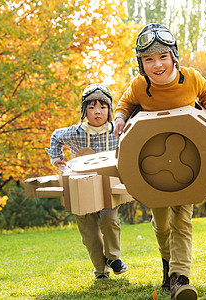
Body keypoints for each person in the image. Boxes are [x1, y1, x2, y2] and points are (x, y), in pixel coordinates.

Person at [114, 23, 206, 300]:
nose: (157, 64)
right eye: (148, 59)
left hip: (189, 164)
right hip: (152, 169)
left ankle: (180, 278)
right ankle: (168, 265)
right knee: (161, 224)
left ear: (173, 56)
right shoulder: (140, 86)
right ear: (141, 63)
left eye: (162, 57)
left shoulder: (191, 78)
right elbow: (124, 104)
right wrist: (119, 119)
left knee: (182, 221)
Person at [46, 83, 129, 280]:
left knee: (110, 220)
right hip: (80, 187)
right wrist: (56, 158)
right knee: (89, 233)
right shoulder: (76, 132)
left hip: (108, 188)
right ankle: (100, 270)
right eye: (91, 108)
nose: (97, 112)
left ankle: (113, 258)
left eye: (102, 107)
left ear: (109, 110)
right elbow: (56, 136)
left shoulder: (117, 132)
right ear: (84, 110)